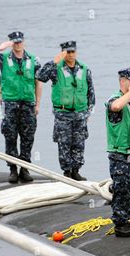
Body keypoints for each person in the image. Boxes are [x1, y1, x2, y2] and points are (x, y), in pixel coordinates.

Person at [0, 32, 42, 183]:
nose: (18, 44)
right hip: (10, 104)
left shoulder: (33, 60)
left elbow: (38, 83)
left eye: (20, 41)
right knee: (10, 136)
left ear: (24, 42)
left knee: (28, 138)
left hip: (28, 104)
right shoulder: (3, 58)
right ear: (11, 43)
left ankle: (24, 169)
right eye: (15, 42)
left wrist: (38, 103)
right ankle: (13, 169)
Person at [36, 41, 95, 181]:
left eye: (72, 51)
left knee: (79, 143)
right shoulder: (56, 69)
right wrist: (54, 61)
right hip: (63, 114)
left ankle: (76, 171)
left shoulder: (84, 69)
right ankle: (67, 172)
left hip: (80, 113)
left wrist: (89, 112)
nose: (70, 55)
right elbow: (40, 76)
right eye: (67, 52)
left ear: (76, 52)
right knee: (64, 143)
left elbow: (91, 92)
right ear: (62, 53)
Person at [105, 67, 130, 237]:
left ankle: (127, 217)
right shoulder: (116, 99)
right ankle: (120, 223)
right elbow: (115, 106)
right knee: (122, 187)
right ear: (122, 81)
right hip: (120, 153)